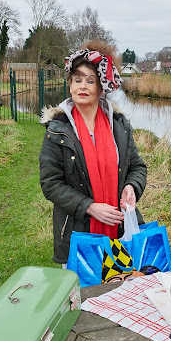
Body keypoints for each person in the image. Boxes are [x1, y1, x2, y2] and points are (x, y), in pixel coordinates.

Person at [39, 41, 147, 267]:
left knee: (121, 290)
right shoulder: (58, 130)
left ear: (101, 88)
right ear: (69, 86)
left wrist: (131, 187)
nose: (82, 86)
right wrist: (89, 207)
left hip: (120, 230)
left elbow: (136, 167)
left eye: (90, 81)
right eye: (77, 80)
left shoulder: (119, 126)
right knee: (86, 294)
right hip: (78, 233)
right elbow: (51, 183)